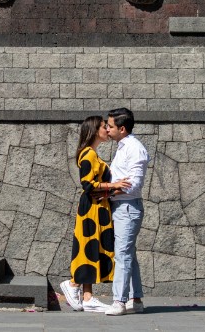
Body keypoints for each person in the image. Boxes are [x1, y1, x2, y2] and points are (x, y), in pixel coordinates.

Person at [59, 116, 131, 312]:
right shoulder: (88, 154)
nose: (107, 130)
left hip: (97, 206)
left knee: (92, 248)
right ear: (94, 130)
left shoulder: (92, 153)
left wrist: (112, 190)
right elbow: (87, 184)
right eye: (103, 127)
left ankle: (88, 296)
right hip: (91, 207)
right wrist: (113, 185)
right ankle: (73, 283)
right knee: (88, 247)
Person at [103, 107, 150, 316]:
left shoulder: (134, 148)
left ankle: (119, 302)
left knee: (122, 254)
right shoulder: (123, 147)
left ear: (122, 129)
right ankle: (135, 300)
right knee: (128, 254)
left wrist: (110, 190)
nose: (107, 129)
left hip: (128, 207)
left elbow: (134, 184)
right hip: (121, 206)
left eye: (110, 126)